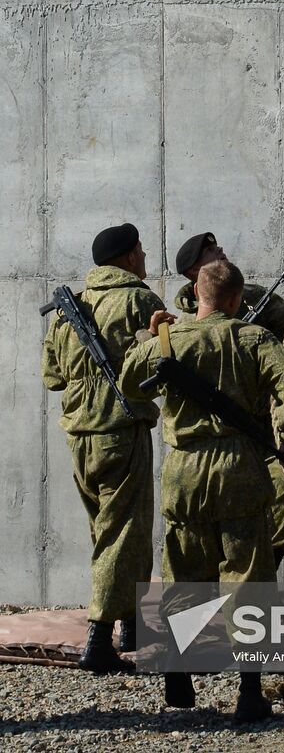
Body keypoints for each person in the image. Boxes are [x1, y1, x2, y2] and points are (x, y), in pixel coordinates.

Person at [121, 258, 284, 722]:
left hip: (183, 471)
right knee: (247, 576)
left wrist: (152, 336)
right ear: (235, 299)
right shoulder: (254, 338)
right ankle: (249, 690)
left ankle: (176, 664)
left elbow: (129, 383)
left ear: (198, 295)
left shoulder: (169, 339)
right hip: (238, 468)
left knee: (186, 572)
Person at [41, 223, 166, 672]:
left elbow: (53, 377)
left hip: (79, 436)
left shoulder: (68, 310)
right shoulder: (140, 301)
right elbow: (163, 364)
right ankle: (99, 639)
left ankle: (131, 622)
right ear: (131, 258)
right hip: (121, 430)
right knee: (123, 533)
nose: (146, 256)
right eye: (141, 250)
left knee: (108, 530)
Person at [174, 231, 284, 567]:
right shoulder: (181, 322)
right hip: (206, 434)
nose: (221, 250)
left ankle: (260, 565)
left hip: (259, 429)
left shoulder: (251, 297)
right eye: (211, 252)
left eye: (217, 245)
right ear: (193, 274)